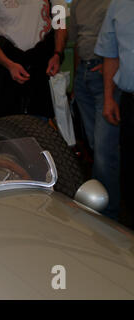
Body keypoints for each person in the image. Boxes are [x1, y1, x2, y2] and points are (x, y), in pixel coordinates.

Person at [69, 0, 119, 221]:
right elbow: (79, 42)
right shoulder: (78, 4)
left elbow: (125, 39)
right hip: (84, 76)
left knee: (104, 151)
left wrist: (114, 68)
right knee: (95, 147)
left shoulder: (116, 3)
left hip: (104, 75)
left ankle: (107, 215)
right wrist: (75, 80)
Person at [0, 0, 68, 120]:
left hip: (42, 65)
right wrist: (9, 65)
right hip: (8, 62)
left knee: (42, 123)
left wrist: (57, 54)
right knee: (7, 123)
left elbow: (60, 25)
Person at [95, 0, 134, 229]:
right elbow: (111, 54)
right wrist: (109, 97)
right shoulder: (119, 4)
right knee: (129, 172)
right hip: (130, 103)